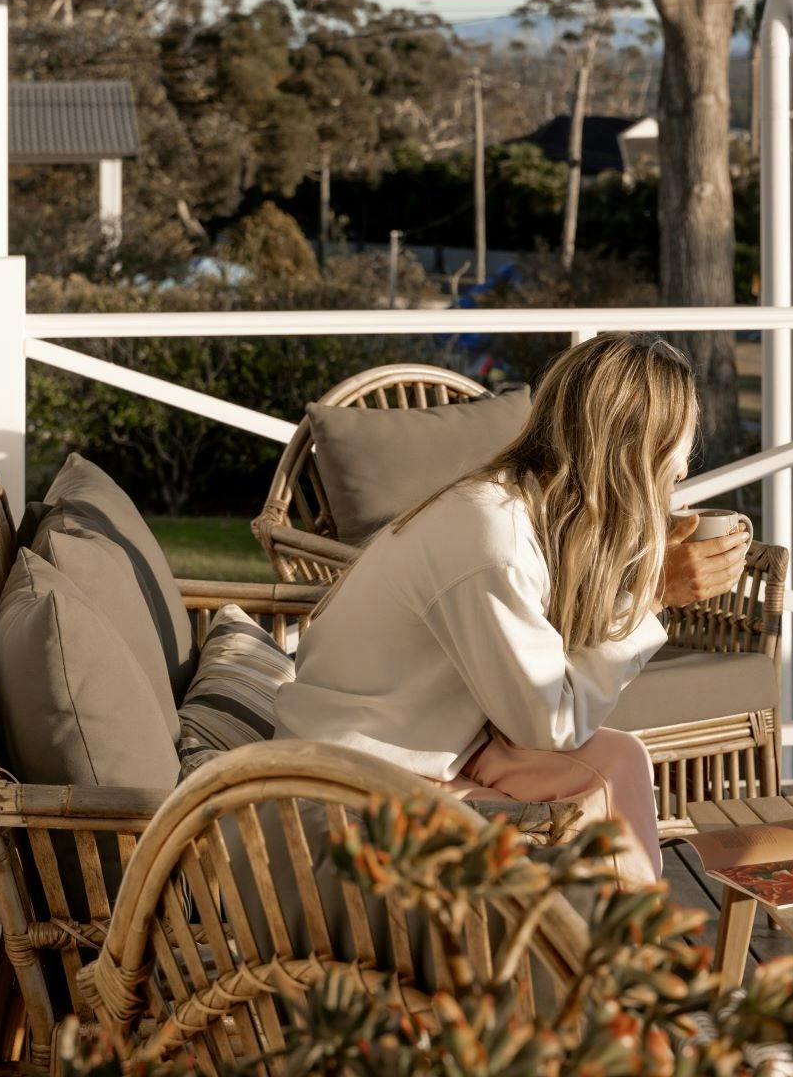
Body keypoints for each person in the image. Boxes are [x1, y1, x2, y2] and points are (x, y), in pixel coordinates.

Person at [276, 334, 749, 886]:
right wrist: (653, 594)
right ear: (634, 445)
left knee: (618, 761)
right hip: (356, 776)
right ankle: (615, 954)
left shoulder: (527, 506)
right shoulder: (492, 538)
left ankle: (629, 944)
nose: (684, 472)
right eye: (679, 450)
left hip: (445, 744)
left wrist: (636, 563)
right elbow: (548, 723)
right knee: (592, 789)